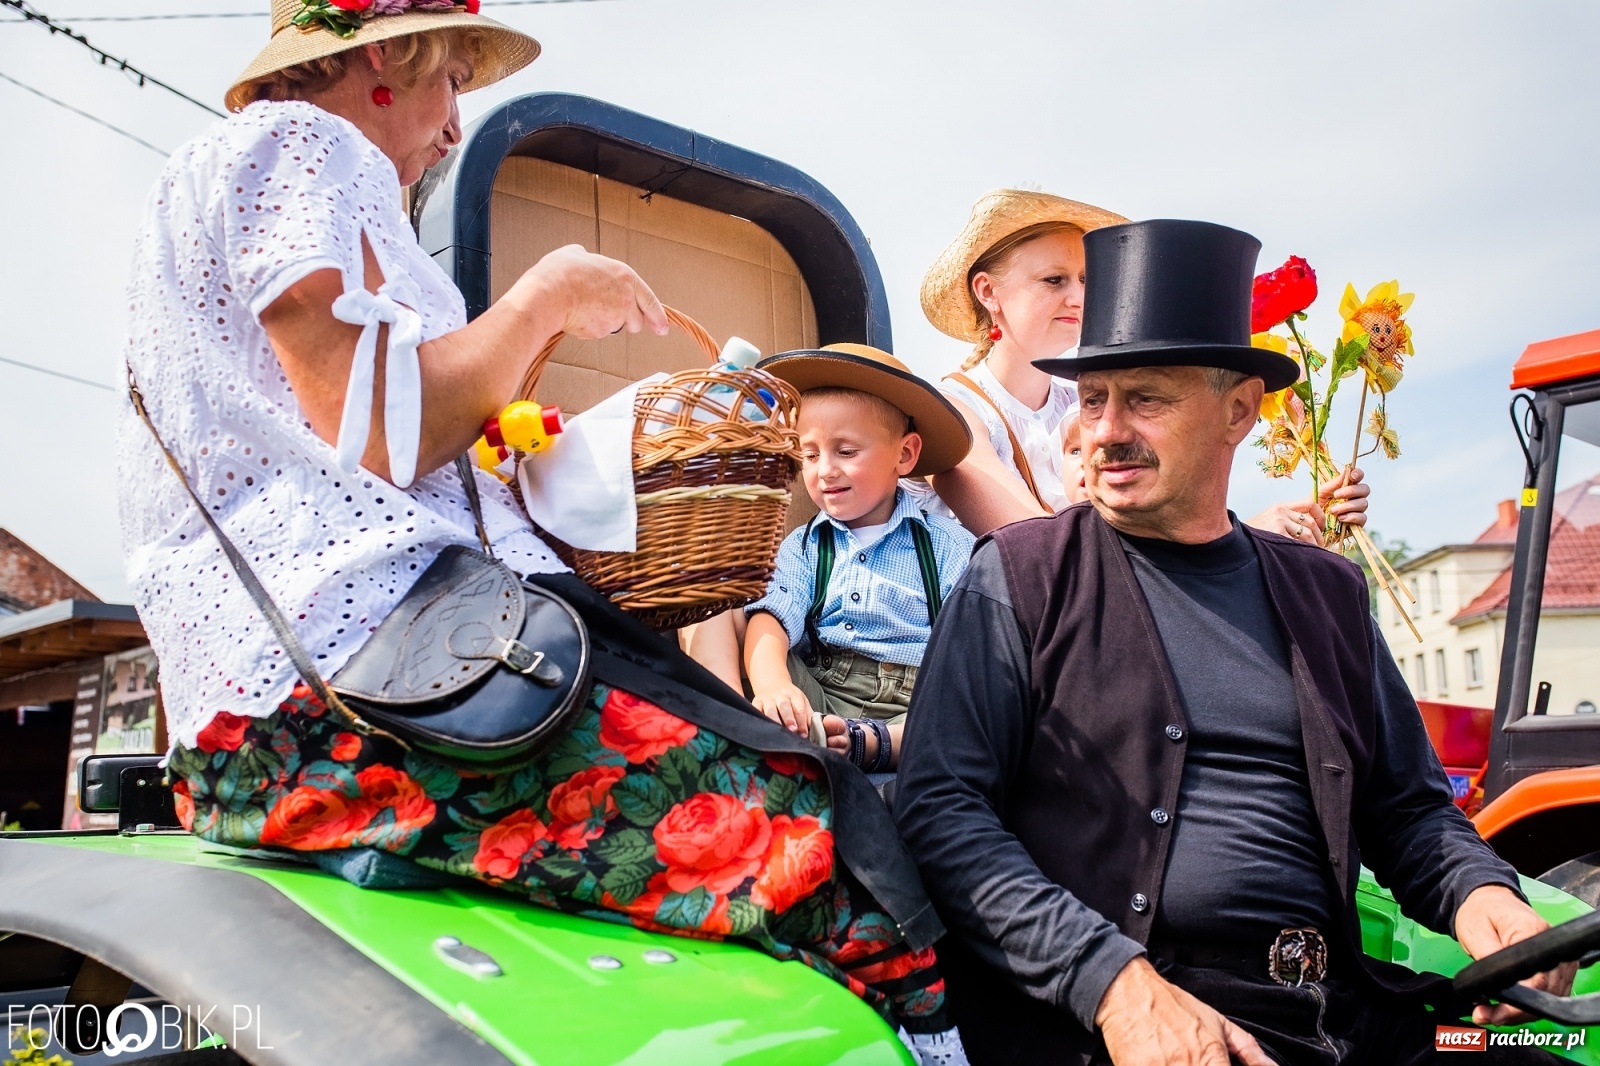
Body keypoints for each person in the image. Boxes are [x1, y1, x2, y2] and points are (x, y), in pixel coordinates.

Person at [118, 2, 957, 1052]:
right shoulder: (304, 140)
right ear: (382, 54)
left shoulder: (237, 179)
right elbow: (371, 429)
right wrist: (548, 294)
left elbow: (370, 436)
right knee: (839, 847)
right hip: (354, 687)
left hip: (286, 703)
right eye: (452, 80)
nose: (457, 125)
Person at [893, 218, 1574, 1066]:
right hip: (1137, 1021)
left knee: (1548, 1049)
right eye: (1094, 399)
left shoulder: (1327, 592)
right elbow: (938, 807)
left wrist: (1481, 895)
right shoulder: (1023, 574)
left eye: (1145, 399)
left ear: (1239, 411)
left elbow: (1408, 808)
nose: (1105, 430)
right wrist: (1112, 982)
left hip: (1346, 1020)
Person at [917, 188, 1368, 546]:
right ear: (988, 292)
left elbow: (1165, 523)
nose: (1077, 297)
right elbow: (1039, 552)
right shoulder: (950, 415)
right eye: (1053, 280)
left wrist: (1289, 527)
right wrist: (1250, 538)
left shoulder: (1088, 410)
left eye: (1086, 279)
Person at [742, 345, 975, 771]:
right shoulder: (806, 545)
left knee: (973, 699)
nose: (824, 470)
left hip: (917, 705)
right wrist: (774, 685)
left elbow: (972, 644)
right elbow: (773, 616)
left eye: (846, 452)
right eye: (809, 455)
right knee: (750, 638)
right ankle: (815, 740)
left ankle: (880, 745)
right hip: (824, 692)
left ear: (904, 455)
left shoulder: (946, 544)